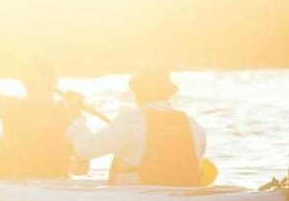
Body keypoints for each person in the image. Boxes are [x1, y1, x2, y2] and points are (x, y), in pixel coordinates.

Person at [65, 63, 207, 186]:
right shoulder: (194, 126)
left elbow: (85, 149)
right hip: (181, 199)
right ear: (167, 93)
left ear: (139, 91)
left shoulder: (129, 120)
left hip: (137, 199)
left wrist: (75, 114)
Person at [0, 56, 81, 179]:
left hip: (11, 178)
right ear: (55, 81)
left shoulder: (10, 105)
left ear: (26, 83)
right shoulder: (72, 114)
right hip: (55, 182)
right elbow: (82, 169)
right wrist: (77, 112)